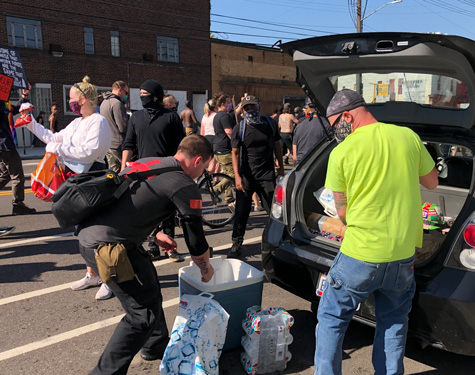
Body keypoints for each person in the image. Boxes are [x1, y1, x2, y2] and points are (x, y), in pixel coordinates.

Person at [314, 89, 439, 375]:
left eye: (335, 124)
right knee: (394, 320)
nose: (337, 131)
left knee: (332, 317)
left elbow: (342, 212)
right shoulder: (407, 137)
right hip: (403, 256)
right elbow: (432, 182)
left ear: (347, 115)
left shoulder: (342, 152)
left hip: (360, 254)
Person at [77, 135, 214, 375]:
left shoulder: (151, 163)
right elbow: (195, 239)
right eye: (203, 167)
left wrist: (154, 235)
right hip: (110, 249)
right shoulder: (184, 183)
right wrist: (206, 268)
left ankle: (156, 345)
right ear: (198, 160)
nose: (201, 173)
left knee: (148, 281)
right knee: (141, 315)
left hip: (90, 237)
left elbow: (130, 205)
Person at [24, 76, 112, 300]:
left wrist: (59, 149)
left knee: (96, 230)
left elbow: (89, 152)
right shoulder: (77, 122)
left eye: (71, 98)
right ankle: (92, 273)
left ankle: (109, 279)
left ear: (82, 99)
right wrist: (30, 122)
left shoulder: (98, 122)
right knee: (80, 229)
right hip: (76, 179)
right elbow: (53, 138)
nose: (69, 102)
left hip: (93, 178)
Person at [122, 80, 184, 261]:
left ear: (155, 96)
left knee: (167, 211)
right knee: (146, 210)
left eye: (145, 94)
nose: (142, 97)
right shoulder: (136, 117)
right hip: (143, 171)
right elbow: (129, 144)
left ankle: (170, 248)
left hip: (166, 171)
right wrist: (123, 166)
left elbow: (180, 147)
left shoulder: (171, 117)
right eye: (140, 94)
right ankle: (152, 246)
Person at [229, 95, 284, 258]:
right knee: (241, 212)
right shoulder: (239, 128)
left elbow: (277, 146)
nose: (250, 110)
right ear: (243, 110)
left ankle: (277, 242)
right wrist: (237, 177)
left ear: (259, 107)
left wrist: (280, 167)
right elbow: (235, 153)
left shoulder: (269, 124)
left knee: (274, 212)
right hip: (246, 177)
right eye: (247, 108)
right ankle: (236, 243)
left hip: (267, 176)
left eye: (253, 107)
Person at [0, 89, 36, 216]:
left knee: (5, 174)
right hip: (4, 145)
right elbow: (7, 111)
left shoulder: (3, 102)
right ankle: (18, 205)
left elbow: (13, 110)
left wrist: (24, 96)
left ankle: (18, 205)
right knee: (17, 175)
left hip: (4, 144)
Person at [212, 92, 236, 209]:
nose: (230, 105)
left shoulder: (217, 115)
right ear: (223, 104)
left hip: (218, 147)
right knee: (233, 174)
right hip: (225, 149)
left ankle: (229, 198)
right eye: (228, 103)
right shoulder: (224, 116)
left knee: (227, 174)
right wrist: (237, 143)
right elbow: (229, 132)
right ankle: (216, 190)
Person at [100, 80, 129, 173]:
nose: (126, 95)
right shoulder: (117, 103)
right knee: (126, 170)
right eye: (126, 92)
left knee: (113, 172)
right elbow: (123, 126)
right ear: (120, 90)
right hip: (118, 144)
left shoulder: (104, 102)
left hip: (108, 143)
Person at [200, 98, 220, 175]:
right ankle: (215, 177)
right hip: (215, 138)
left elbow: (202, 130)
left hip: (206, 138)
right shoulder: (216, 116)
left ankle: (208, 175)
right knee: (217, 159)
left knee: (209, 159)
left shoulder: (204, 116)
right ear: (215, 107)